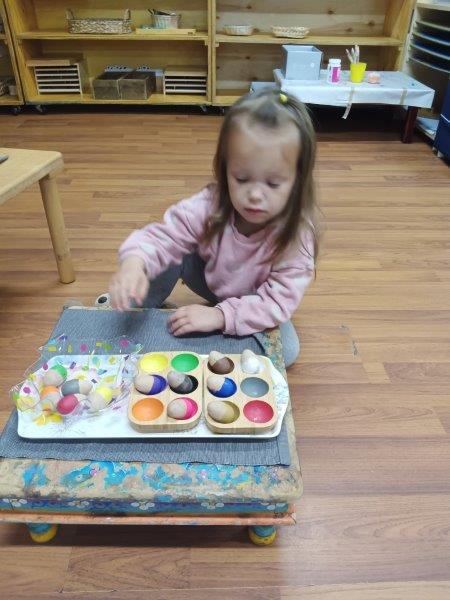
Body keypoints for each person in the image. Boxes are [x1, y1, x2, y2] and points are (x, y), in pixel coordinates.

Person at [109, 88, 320, 367]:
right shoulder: (211, 204)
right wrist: (134, 263)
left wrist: (220, 316)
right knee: (162, 253)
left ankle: (225, 318)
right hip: (210, 279)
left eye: (273, 183)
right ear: (225, 169)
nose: (255, 195)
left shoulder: (297, 236)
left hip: (254, 297)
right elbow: (163, 236)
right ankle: (136, 306)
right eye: (241, 178)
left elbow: (277, 303)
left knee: (288, 350)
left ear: (298, 181)